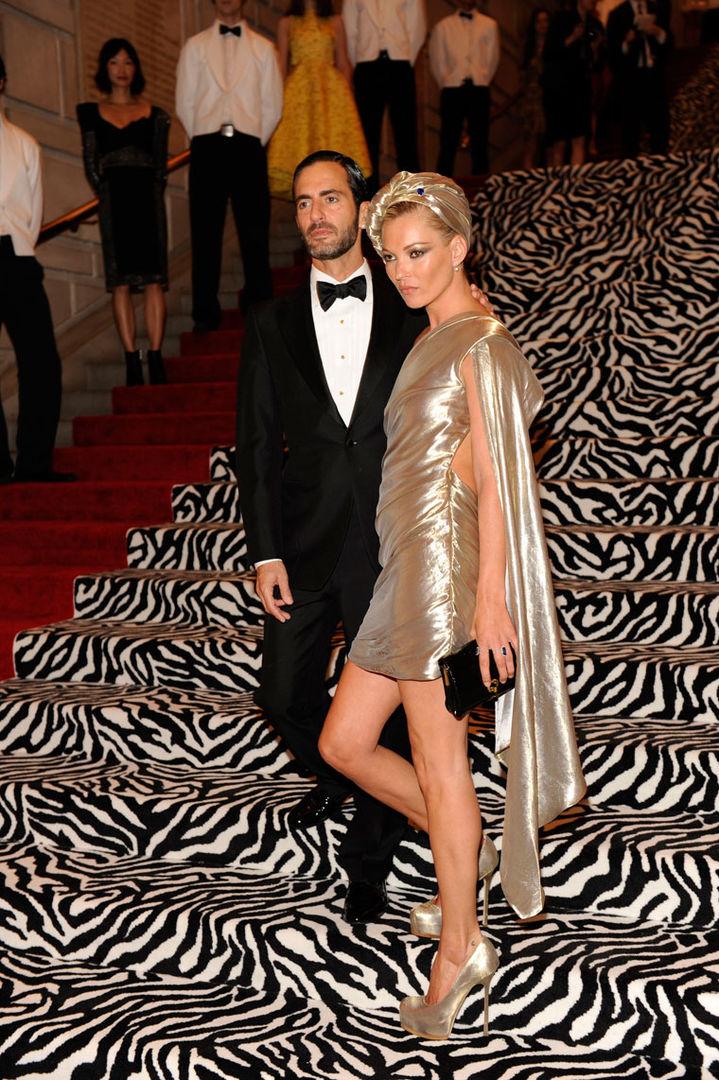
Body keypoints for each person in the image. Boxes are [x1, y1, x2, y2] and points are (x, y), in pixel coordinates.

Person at [319, 171, 586, 1038]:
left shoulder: (481, 345)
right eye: (390, 256)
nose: (400, 270)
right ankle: (460, 855)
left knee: (438, 761)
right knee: (344, 741)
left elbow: (505, 488)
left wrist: (491, 604)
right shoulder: (434, 335)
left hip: (443, 574)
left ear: (462, 248)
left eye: (419, 253)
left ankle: (460, 947)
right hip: (406, 569)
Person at [176, 0, 282, 331]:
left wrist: (253, 139)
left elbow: (272, 104)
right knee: (205, 233)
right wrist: (203, 137)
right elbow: (185, 102)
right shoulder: (194, 47)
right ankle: (204, 313)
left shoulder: (264, 49)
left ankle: (259, 307)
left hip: (249, 145)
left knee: (255, 231)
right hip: (207, 144)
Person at [77, 39, 170, 387]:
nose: (121, 68)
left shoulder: (157, 115)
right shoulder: (88, 112)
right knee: (119, 282)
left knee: (153, 281)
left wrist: (148, 192)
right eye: (114, 62)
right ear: (105, 68)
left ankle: (156, 358)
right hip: (114, 202)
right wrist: (107, 195)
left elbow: (160, 168)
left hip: (147, 199)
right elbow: (91, 163)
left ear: (136, 69)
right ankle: (132, 359)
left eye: (128, 62)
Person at [0, 56, 72, 485]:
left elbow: (34, 209)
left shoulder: (24, 142)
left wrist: (19, 245)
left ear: (3, 81)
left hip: (16, 256)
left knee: (41, 360)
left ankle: (34, 463)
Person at [267, 0, 370, 200]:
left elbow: (343, 62)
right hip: (298, 95)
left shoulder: (335, 21)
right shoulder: (287, 22)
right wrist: (275, 100)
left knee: (333, 149)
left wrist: (347, 104)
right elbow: (281, 66)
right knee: (300, 148)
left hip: (330, 94)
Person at [342, 0, 426, 193]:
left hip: (400, 64)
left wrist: (405, 57)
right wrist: (361, 60)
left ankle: (413, 196)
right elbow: (350, 30)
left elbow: (417, 27)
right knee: (367, 137)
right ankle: (368, 199)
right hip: (367, 67)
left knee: (406, 136)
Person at [429, 1, 501, 177]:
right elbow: (437, 60)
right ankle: (443, 189)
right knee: (448, 142)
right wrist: (447, 80)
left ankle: (482, 189)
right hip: (452, 89)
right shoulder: (443, 26)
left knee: (480, 142)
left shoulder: (489, 25)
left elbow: (493, 58)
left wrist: (482, 77)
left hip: (479, 88)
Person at [544, 0, 605, 166]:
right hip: (560, 87)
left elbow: (599, 65)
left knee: (580, 139)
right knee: (560, 142)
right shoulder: (562, 19)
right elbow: (549, 53)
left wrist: (595, 48)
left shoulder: (595, 24)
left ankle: (576, 183)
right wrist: (572, 38)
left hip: (582, 86)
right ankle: (557, 184)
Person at [606, 0, 671, 157]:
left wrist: (658, 32)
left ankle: (660, 165)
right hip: (631, 81)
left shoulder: (656, 8)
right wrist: (626, 42)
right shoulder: (617, 14)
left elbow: (670, 44)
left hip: (654, 77)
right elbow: (611, 52)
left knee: (660, 128)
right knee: (631, 131)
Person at [520, 8, 551, 169]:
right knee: (531, 144)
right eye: (539, 21)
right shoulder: (528, 47)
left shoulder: (554, 46)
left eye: (546, 21)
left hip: (550, 98)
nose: (543, 25)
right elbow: (523, 76)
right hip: (532, 101)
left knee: (550, 145)